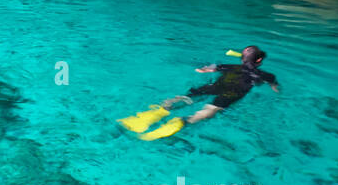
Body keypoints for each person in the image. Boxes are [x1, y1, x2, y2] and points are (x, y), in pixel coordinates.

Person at [119, 46, 280, 141]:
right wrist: (274, 87)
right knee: (207, 112)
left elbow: (202, 70)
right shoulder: (267, 76)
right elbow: (274, 88)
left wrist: (204, 68)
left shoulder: (228, 66)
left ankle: (158, 112)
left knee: (186, 98)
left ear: (242, 58)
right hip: (233, 93)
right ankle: (184, 121)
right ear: (258, 61)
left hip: (215, 86)